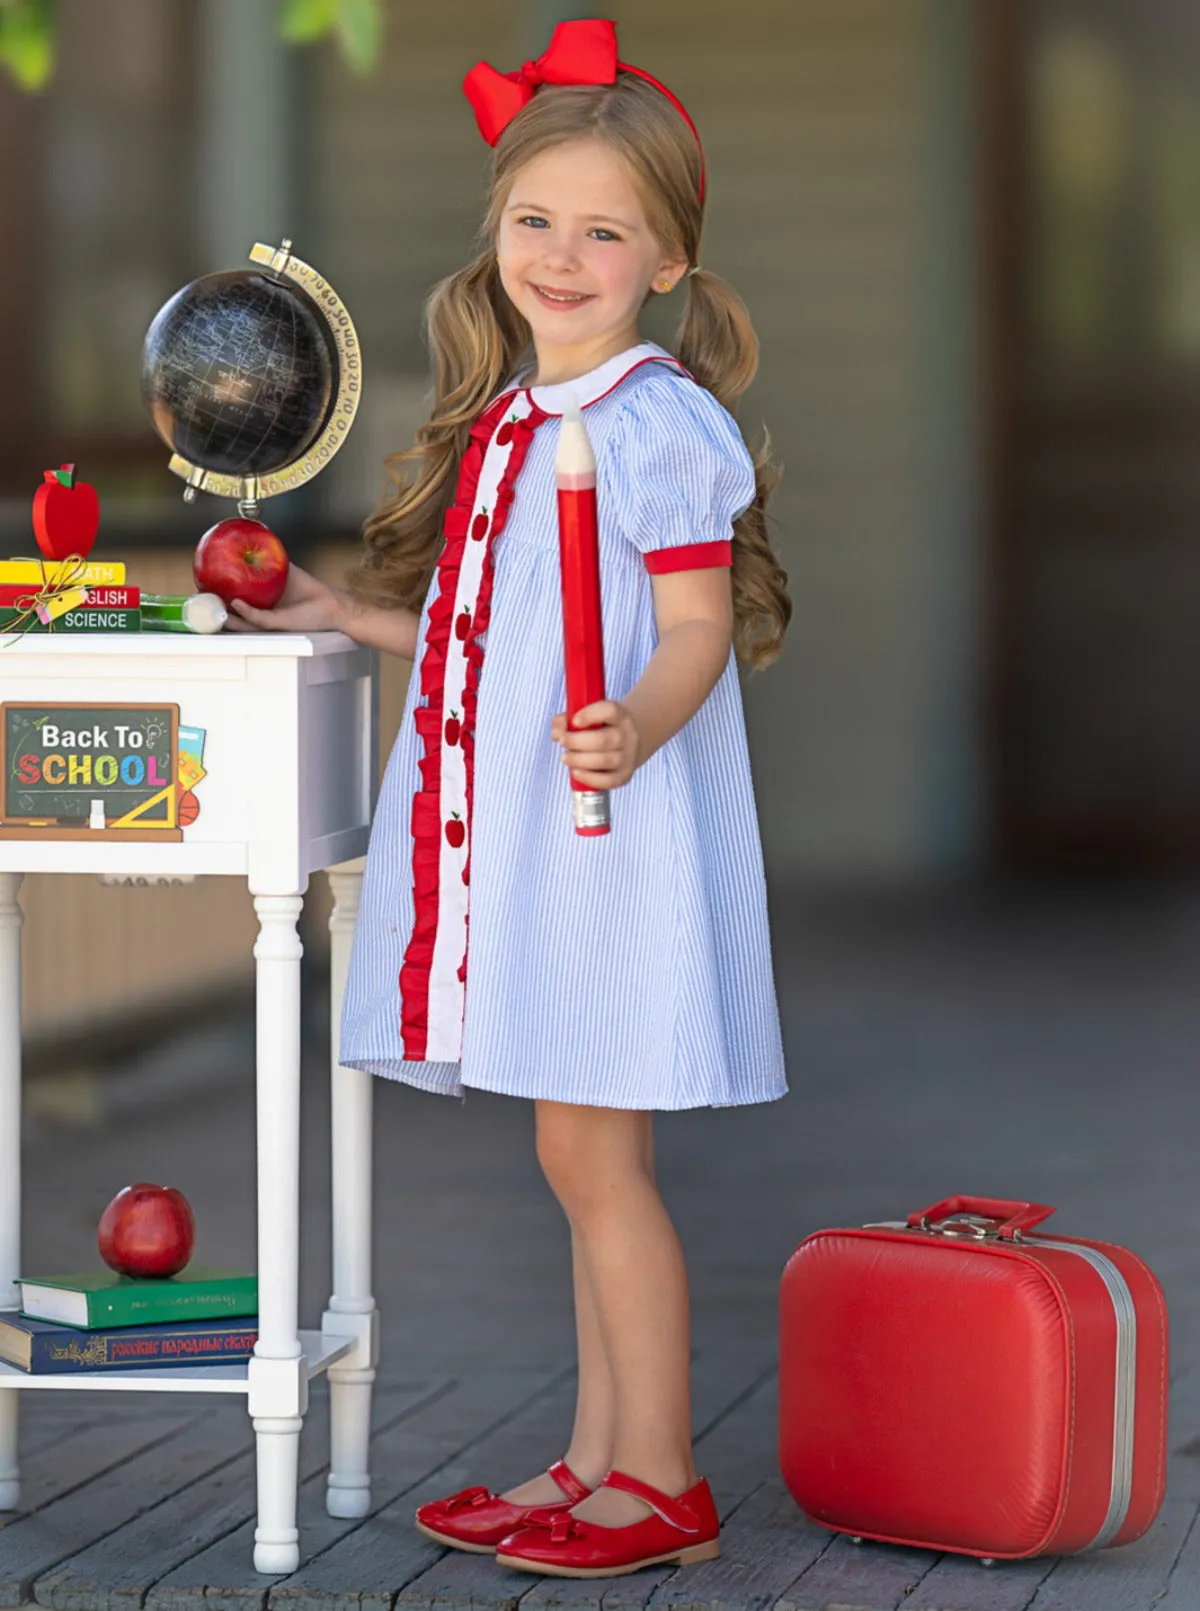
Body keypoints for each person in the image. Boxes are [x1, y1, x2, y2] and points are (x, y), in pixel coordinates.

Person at [228, 18, 790, 1579]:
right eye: (537, 219)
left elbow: (687, 634)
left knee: (599, 1165)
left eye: (605, 230)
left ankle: (659, 1476)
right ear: (494, 234)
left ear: (667, 260)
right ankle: (600, 1457)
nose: (563, 253)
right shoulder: (517, 425)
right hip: (529, 840)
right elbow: (497, 634)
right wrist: (354, 619)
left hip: (603, 840)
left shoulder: (655, 422)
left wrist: (637, 728)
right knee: (574, 1159)